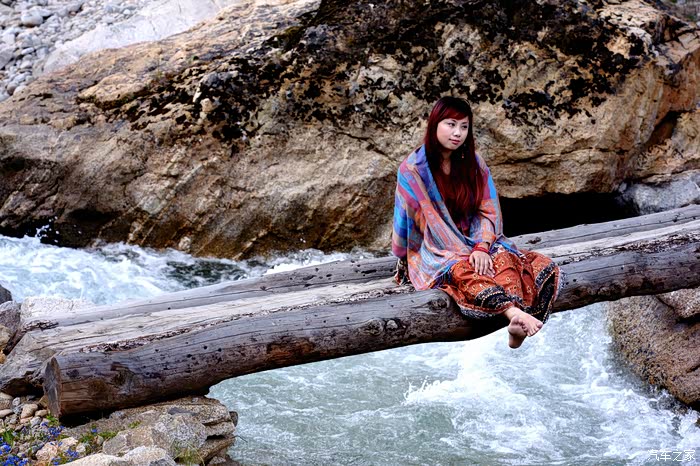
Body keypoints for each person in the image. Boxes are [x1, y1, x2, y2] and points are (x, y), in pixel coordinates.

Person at [391, 96, 562, 349]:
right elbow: (405, 219)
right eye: (451, 124)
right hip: (436, 249)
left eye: (464, 126)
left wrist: (482, 246)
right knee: (462, 270)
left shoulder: (473, 163)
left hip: (475, 239)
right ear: (435, 124)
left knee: (517, 262)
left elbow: (488, 210)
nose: (457, 133)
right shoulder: (413, 169)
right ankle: (514, 315)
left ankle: (518, 327)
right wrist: (402, 256)